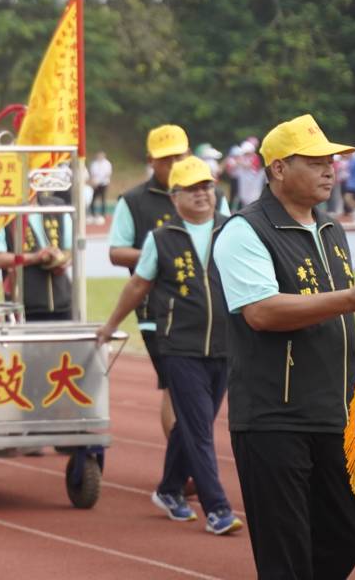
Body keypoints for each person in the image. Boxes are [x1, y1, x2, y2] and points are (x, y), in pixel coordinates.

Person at [213, 114, 355, 578]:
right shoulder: (245, 230)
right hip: (274, 419)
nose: (330, 170)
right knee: (286, 552)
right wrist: (349, 299)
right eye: (316, 161)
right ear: (278, 169)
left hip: (335, 414)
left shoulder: (331, 229)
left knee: (347, 534)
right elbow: (261, 311)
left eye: (332, 161)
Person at [96, 156, 242, 535]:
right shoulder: (161, 240)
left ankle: (168, 489)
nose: (202, 195)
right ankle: (218, 508)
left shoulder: (232, 231)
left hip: (225, 345)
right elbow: (138, 286)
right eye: (192, 189)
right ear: (174, 197)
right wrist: (110, 325)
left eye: (207, 187)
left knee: (198, 422)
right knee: (198, 428)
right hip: (179, 346)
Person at [108, 124, 193, 440]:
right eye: (165, 159)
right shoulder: (133, 201)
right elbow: (116, 252)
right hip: (154, 311)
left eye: (179, 156)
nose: (173, 165)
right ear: (150, 160)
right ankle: (183, 464)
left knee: (201, 389)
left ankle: (187, 461)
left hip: (203, 310)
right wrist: (158, 255)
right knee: (174, 385)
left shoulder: (207, 193)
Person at [0, 194, 73, 320]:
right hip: (22, 306)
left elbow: (71, 249)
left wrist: (63, 261)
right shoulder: (0, 211)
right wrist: (34, 258)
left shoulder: (57, 206)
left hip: (63, 302)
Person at [88, 150, 113, 222]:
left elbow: (107, 174)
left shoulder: (107, 164)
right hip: (95, 184)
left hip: (103, 183)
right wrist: (94, 182)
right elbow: (92, 173)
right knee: (93, 199)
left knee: (103, 199)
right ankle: (92, 214)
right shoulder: (94, 164)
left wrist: (99, 181)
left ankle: (103, 214)